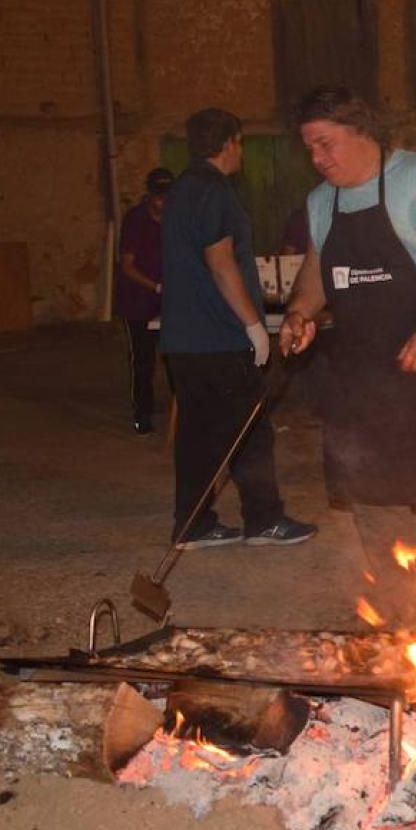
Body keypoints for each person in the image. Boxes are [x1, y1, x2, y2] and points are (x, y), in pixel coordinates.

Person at [277, 87, 416, 620]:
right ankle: (403, 622)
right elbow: (317, 269)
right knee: (371, 498)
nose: (317, 159)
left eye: (325, 144)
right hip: (357, 374)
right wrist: (300, 313)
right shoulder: (319, 201)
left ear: (363, 131)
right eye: (309, 148)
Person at [159, 109, 316, 549]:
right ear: (228, 142)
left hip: (182, 340)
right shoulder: (215, 191)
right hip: (217, 336)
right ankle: (263, 519)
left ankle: (193, 524)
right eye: (241, 143)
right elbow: (221, 260)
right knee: (249, 428)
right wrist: (253, 325)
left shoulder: (180, 190)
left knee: (197, 433)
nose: (241, 152)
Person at [115, 167, 172, 435]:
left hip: (168, 301)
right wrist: (157, 286)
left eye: (168, 196)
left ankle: (181, 410)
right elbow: (127, 266)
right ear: (149, 196)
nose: (164, 202)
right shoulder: (135, 220)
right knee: (143, 360)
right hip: (137, 302)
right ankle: (142, 413)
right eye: (160, 197)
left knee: (176, 355)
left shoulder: (175, 218)